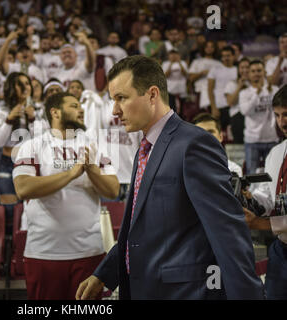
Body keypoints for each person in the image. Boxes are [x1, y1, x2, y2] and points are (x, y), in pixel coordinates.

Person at [76, 55, 264, 300]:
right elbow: (141, 230)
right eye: (113, 100)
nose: (114, 110)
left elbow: (227, 232)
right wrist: (104, 274)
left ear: (152, 95)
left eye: (121, 98)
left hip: (184, 292)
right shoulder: (144, 149)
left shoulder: (194, 144)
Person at [12, 92, 119, 299]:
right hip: (44, 253)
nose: (81, 110)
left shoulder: (94, 145)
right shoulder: (32, 145)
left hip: (89, 251)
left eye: (80, 105)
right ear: (55, 112)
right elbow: (23, 188)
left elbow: (113, 190)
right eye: (73, 105)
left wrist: (91, 170)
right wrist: (71, 174)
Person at [243, 85, 287, 299]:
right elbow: (269, 198)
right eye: (278, 115)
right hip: (280, 249)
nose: (282, 122)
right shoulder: (276, 152)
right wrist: (251, 201)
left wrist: (258, 223)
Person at [0, 72, 36, 225]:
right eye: (20, 84)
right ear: (11, 87)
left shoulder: (38, 110)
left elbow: (41, 140)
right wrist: (9, 120)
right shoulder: (2, 111)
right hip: (7, 162)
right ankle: (11, 244)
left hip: (29, 163)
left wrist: (32, 120)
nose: (25, 87)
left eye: (27, 83)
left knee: (29, 207)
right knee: (9, 207)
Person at [239, 60, 279, 174]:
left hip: (272, 139)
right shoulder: (244, 93)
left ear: (264, 72)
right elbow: (245, 111)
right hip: (252, 140)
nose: (256, 73)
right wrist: (258, 93)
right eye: (253, 71)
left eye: (259, 70)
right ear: (249, 74)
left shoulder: (274, 90)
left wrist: (266, 89)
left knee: (273, 173)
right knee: (252, 175)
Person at [207, 46, 237, 128]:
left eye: (228, 55)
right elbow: (210, 89)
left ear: (233, 56)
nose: (226, 58)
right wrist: (213, 107)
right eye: (223, 56)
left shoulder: (237, 70)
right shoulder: (215, 69)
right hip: (219, 106)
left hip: (234, 106)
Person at [224, 58, 250, 144]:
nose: (245, 70)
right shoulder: (231, 84)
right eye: (242, 68)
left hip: (251, 116)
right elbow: (230, 102)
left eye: (247, 67)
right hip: (237, 118)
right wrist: (239, 86)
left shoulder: (255, 83)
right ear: (238, 69)